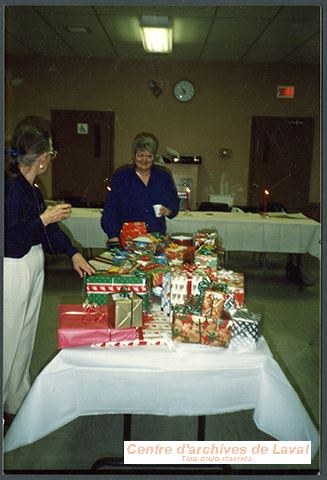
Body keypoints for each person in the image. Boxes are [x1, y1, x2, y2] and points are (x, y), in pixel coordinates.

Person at [3, 124, 95, 423]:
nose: (51, 159)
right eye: (51, 153)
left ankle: (15, 398)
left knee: (25, 336)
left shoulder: (31, 187)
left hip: (31, 262)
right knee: (7, 339)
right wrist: (44, 218)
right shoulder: (8, 186)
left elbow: (47, 230)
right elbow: (10, 238)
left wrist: (73, 253)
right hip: (11, 267)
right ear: (41, 158)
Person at [101, 132, 180, 243]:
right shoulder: (121, 176)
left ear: (154, 157)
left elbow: (174, 201)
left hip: (156, 237)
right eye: (140, 155)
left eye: (149, 156)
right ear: (134, 156)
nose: (144, 160)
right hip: (128, 238)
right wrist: (112, 235)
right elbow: (110, 209)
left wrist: (169, 210)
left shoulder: (163, 177)